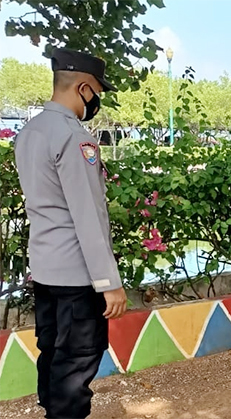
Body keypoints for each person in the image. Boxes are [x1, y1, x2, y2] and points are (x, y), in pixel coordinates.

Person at [14, 48, 127, 419]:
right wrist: (108, 281)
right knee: (76, 363)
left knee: (51, 352)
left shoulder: (29, 132)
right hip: (79, 276)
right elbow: (88, 215)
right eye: (96, 92)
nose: (96, 101)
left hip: (45, 270)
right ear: (84, 89)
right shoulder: (74, 138)